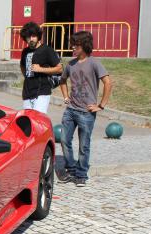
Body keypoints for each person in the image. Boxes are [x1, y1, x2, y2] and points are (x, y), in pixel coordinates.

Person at [58, 31, 113, 187]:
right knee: (64, 140)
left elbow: (108, 83)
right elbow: (62, 81)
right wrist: (65, 97)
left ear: (84, 45)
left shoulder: (95, 63)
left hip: (86, 113)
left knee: (84, 145)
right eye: (72, 44)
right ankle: (70, 169)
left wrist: (101, 105)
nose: (73, 47)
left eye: (76, 44)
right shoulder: (70, 64)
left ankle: (81, 174)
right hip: (70, 110)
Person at [19, 21, 62, 113]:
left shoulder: (47, 50)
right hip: (27, 93)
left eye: (33, 36)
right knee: (28, 121)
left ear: (38, 36)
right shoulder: (25, 51)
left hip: (42, 92)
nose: (31, 39)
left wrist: (40, 69)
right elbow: (22, 66)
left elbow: (59, 68)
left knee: (38, 121)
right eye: (28, 37)